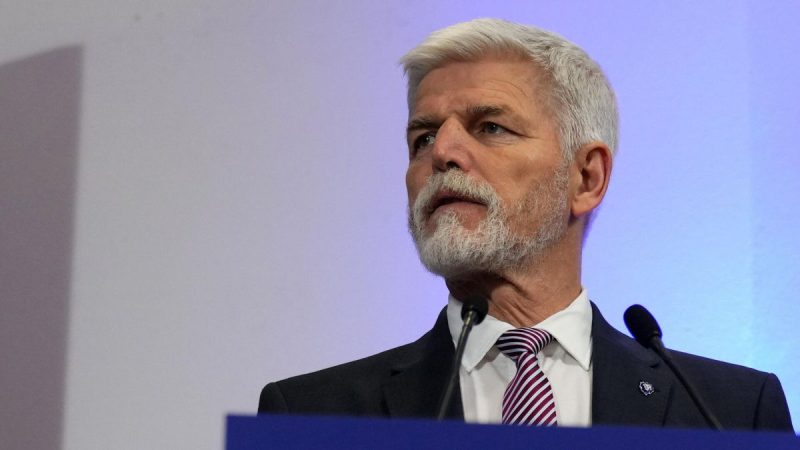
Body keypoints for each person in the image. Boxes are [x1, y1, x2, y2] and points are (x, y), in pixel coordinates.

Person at [258, 18, 793, 430]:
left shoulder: (730, 411)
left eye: (490, 127)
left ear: (586, 178)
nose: (442, 152)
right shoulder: (311, 416)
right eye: (423, 138)